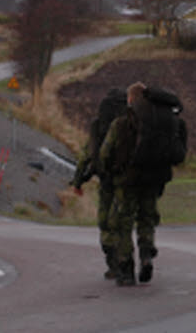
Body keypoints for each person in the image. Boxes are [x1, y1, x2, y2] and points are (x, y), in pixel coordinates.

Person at [100, 82, 187, 286]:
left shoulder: (122, 123)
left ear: (130, 99)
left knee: (123, 224)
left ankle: (126, 269)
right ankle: (146, 255)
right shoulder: (162, 121)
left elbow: (105, 153)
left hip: (127, 182)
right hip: (154, 180)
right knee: (146, 220)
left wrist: (110, 171)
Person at [70, 87, 127, 280]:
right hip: (128, 181)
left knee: (106, 223)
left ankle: (113, 263)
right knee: (123, 222)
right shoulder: (131, 123)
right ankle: (129, 261)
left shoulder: (99, 126)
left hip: (107, 181)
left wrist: (78, 181)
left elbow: (87, 155)